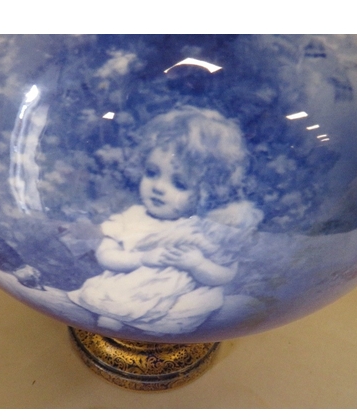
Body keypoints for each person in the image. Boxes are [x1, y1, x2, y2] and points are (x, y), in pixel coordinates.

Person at [68, 106, 263, 335]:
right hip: (132, 287)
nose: (159, 187)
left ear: (205, 192)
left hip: (180, 296)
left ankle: (162, 330)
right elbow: (106, 255)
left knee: (198, 305)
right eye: (152, 173)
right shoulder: (131, 217)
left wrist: (197, 264)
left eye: (179, 184)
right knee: (112, 300)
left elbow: (225, 274)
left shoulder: (201, 229)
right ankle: (118, 320)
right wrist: (142, 258)